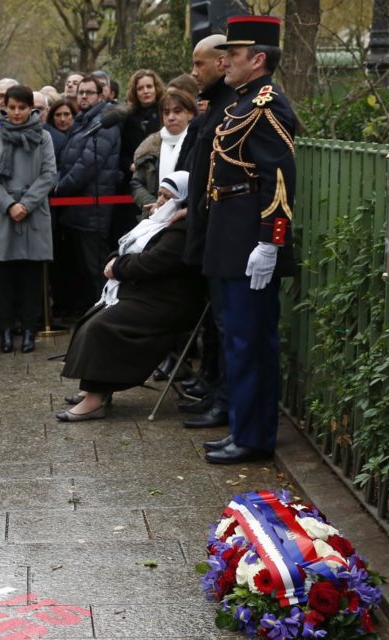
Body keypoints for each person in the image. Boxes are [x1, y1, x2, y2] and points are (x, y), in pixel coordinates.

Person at [199, 16, 296, 465]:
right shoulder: (242, 104)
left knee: (252, 341)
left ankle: (254, 437)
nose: (225, 62)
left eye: (233, 55)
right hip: (229, 233)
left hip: (249, 240)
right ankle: (242, 426)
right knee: (238, 339)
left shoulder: (268, 106)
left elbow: (278, 177)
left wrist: (270, 242)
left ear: (258, 59)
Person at [58, 172, 205, 421]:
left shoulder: (181, 229)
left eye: (168, 197)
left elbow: (153, 262)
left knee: (102, 326)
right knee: (94, 316)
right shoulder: (156, 221)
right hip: (146, 293)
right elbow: (125, 247)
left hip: (168, 302)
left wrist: (117, 267)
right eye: (159, 194)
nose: (160, 200)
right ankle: (96, 390)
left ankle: (95, 398)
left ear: (183, 201)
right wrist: (114, 261)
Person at [177, 33, 237, 430]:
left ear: (221, 63)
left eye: (200, 64)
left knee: (225, 324)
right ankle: (213, 385)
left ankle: (224, 398)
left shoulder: (231, 109)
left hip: (223, 232)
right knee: (216, 319)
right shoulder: (215, 108)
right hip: (205, 228)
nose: (194, 71)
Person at [0, 85, 57, 354]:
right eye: (11, 107)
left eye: (22, 108)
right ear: (4, 107)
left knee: (31, 276)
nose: (16, 113)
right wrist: (9, 205)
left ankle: (29, 329)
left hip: (34, 212)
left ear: (31, 109)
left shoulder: (44, 138)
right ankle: (5, 330)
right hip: (5, 214)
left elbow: (49, 174)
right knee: (5, 276)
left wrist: (25, 204)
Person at [55, 74, 121, 316]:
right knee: (84, 269)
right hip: (77, 211)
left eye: (89, 92)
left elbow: (87, 165)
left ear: (101, 95)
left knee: (97, 270)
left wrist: (58, 188)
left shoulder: (104, 122)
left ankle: (106, 316)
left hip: (93, 209)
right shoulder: (82, 121)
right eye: (80, 92)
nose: (83, 96)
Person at [130, 90, 195, 213]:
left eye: (177, 111)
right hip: (155, 215)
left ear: (190, 114)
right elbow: (137, 183)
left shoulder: (197, 142)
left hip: (186, 216)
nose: (171, 117)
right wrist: (152, 204)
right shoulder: (149, 146)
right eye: (166, 113)